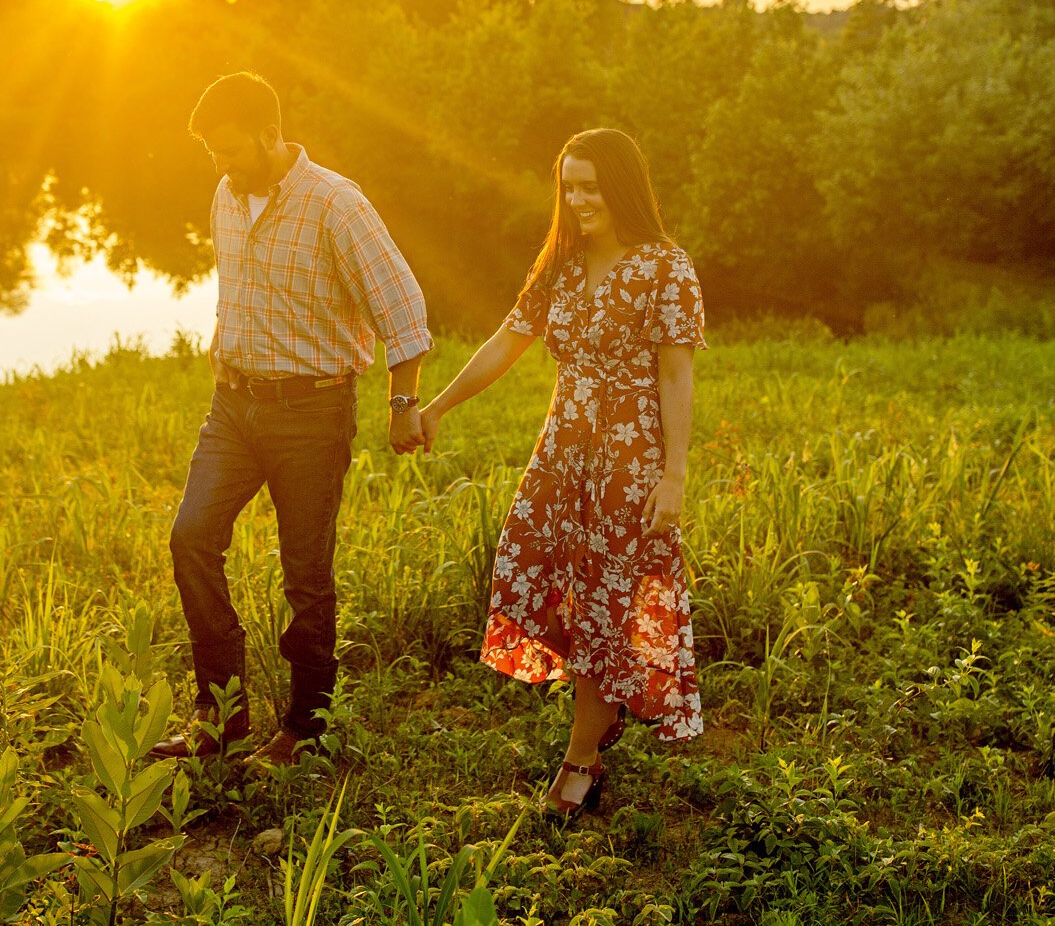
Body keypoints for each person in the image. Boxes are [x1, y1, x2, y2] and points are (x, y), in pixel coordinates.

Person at [150, 72, 432, 769]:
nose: (221, 166)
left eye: (230, 150)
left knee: (305, 570)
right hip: (235, 406)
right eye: (212, 154)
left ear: (271, 134)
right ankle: (223, 711)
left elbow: (403, 307)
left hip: (313, 408)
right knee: (191, 536)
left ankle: (306, 725)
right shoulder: (225, 193)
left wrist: (403, 405)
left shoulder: (337, 203)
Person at [420, 127, 706, 813]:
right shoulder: (562, 264)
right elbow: (506, 340)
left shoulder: (666, 266)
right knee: (534, 573)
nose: (578, 199)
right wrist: (437, 406)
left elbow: (676, 374)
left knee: (607, 600)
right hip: (561, 456)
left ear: (623, 185)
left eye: (589, 185)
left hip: (627, 462)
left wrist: (674, 474)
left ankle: (583, 756)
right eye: (568, 186)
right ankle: (602, 704)